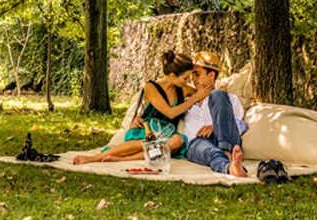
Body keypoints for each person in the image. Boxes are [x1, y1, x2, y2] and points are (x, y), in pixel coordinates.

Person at [72, 50, 212, 165]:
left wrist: (221, 88)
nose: (188, 82)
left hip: (168, 134)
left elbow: (207, 95)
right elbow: (170, 113)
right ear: (172, 75)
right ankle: (96, 157)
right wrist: (194, 98)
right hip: (148, 130)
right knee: (148, 142)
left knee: (178, 140)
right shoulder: (151, 87)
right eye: (185, 78)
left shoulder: (183, 88)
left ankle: (124, 159)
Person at [184, 51, 249, 177]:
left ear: (211, 75)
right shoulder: (187, 102)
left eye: (197, 74)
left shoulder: (229, 98)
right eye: (192, 75)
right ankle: (229, 167)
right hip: (198, 144)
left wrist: (215, 126)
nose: (193, 79)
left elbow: (238, 124)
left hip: (228, 140)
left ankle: (225, 151)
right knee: (211, 152)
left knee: (218, 94)